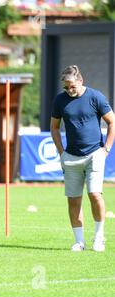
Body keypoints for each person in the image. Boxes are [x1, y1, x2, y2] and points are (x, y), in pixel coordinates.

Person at [50, 65, 115, 252]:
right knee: (73, 200)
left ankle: (99, 238)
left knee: (95, 194)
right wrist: (61, 152)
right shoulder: (59, 100)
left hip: (95, 153)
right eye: (66, 87)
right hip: (71, 157)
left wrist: (107, 149)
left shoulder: (96, 97)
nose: (69, 90)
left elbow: (112, 121)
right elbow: (54, 127)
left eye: (72, 86)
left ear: (80, 81)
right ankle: (79, 241)